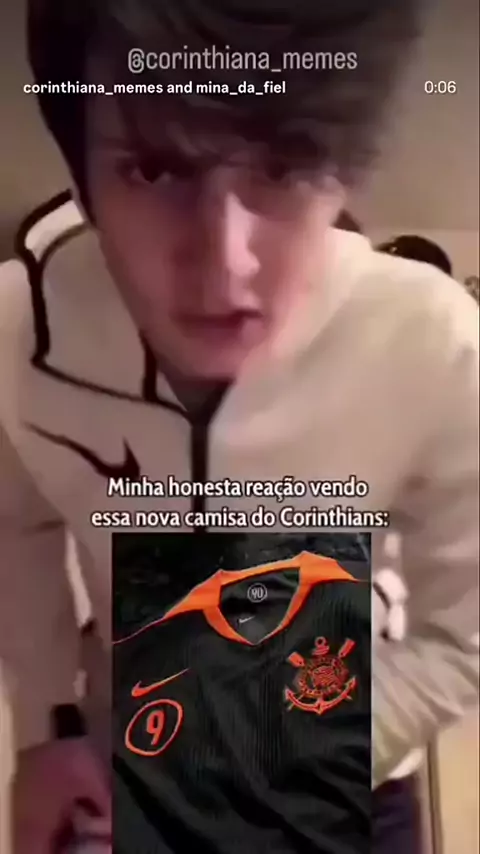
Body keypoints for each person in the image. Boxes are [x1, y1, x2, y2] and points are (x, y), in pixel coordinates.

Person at [0, 0, 478, 852]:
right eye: (154, 169)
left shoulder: (434, 339)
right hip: (121, 767)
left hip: (346, 772)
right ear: (82, 179)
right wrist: (46, 727)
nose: (226, 268)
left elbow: (466, 634)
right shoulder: (13, 333)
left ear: (346, 169)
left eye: (287, 162)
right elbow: (17, 524)